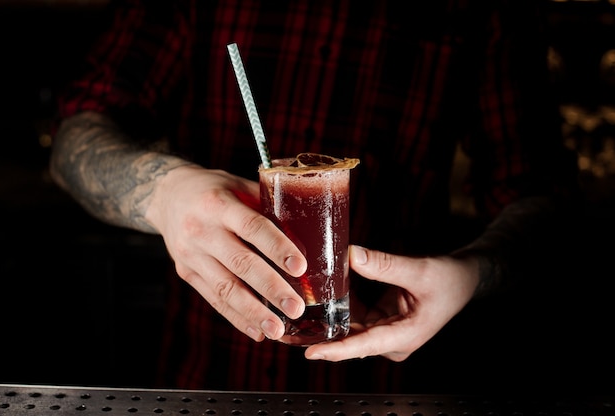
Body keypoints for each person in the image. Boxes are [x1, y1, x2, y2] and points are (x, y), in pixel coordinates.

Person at [49, 0, 580, 393]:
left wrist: (469, 272)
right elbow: (75, 138)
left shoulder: (485, 11)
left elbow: (542, 196)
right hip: (207, 386)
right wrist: (164, 192)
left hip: (387, 386)